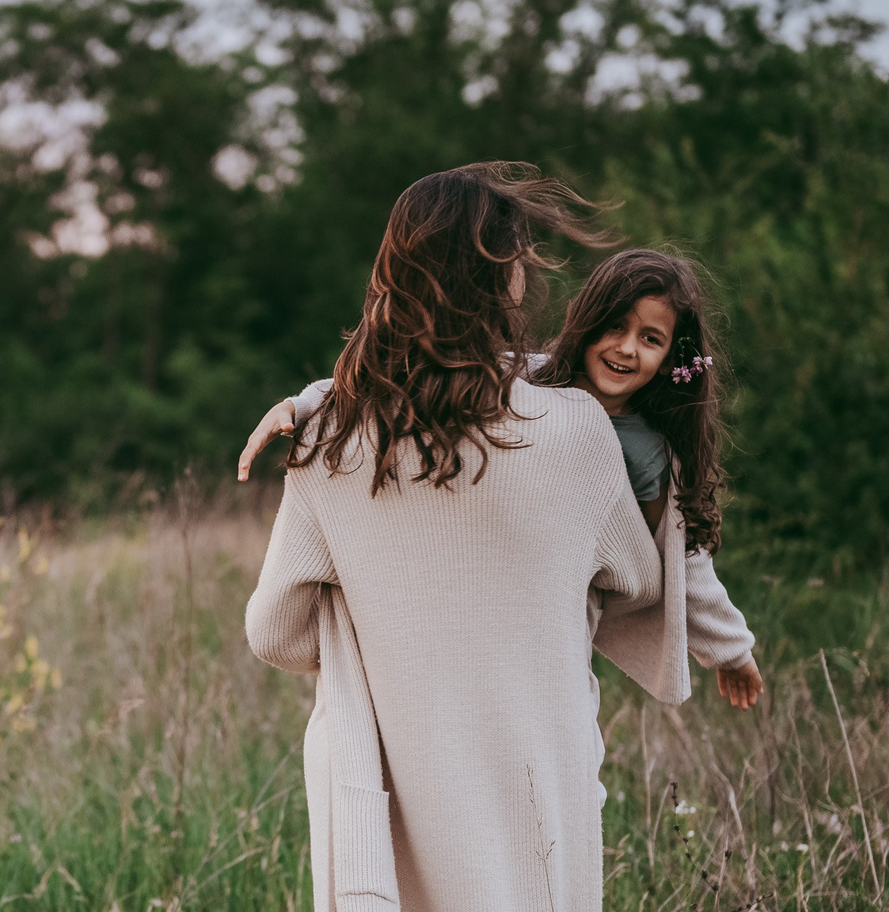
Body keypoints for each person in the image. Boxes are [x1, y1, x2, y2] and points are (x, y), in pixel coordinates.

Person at [243, 162, 660, 912]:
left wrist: (377, 619)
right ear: (499, 280)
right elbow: (630, 573)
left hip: (396, 784)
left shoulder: (332, 441)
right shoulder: (574, 432)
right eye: (520, 260)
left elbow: (274, 627)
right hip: (535, 773)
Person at [240, 247, 763, 710]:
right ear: (587, 322)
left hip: (553, 623)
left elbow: (678, 558)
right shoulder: (527, 378)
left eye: (650, 339)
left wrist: (731, 650)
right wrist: (304, 404)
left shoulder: (645, 452)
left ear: (671, 359)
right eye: (614, 326)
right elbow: (409, 380)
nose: (627, 348)